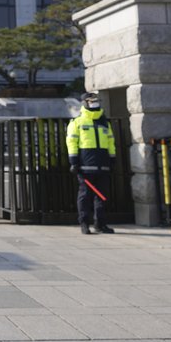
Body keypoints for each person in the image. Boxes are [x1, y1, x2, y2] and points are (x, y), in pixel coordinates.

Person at [67, 91, 117, 235]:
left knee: (101, 196)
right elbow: (71, 142)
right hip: (85, 166)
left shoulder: (104, 122)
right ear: (84, 103)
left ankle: (100, 224)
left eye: (96, 100)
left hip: (103, 164)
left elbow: (110, 142)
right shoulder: (77, 122)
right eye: (91, 101)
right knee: (85, 196)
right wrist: (73, 162)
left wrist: (112, 159)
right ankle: (84, 223)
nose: (94, 103)